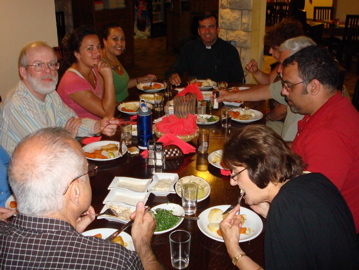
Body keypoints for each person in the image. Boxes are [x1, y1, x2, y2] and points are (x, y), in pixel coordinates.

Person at [0, 127, 162, 269]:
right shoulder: (114, 261)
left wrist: (71, 232)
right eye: (88, 171)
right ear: (75, 192)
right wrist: (142, 244)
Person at [220, 125, 359, 270]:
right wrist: (269, 212)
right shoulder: (316, 179)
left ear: (259, 167)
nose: (232, 181)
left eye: (235, 172)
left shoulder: (285, 209)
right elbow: (308, 234)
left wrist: (233, 248)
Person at [281, 45, 359, 233]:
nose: (284, 92)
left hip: (332, 234)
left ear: (314, 86)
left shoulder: (329, 135)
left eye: (288, 85)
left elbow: (311, 209)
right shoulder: (331, 108)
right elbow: (303, 149)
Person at [0, 41, 118, 155]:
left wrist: (98, 126)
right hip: (25, 171)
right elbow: (45, 147)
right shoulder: (17, 105)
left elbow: (71, 121)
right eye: (38, 65)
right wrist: (66, 136)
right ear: (23, 72)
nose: (47, 70)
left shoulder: (50, 93)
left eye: (51, 64)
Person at [217, 36, 316, 141]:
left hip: (289, 144)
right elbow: (267, 90)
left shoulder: (309, 90)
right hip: (284, 133)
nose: (278, 70)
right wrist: (229, 95)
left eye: (284, 64)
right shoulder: (292, 83)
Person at [245, 19, 304, 134]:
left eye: (274, 48)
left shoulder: (295, 71)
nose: (270, 51)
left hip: (284, 124)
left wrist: (265, 118)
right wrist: (256, 72)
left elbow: (282, 110)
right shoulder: (282, 65)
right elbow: (270, 82)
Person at [166, 12, 244, 85]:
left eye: (211, 27)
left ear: (218, 29)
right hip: (196, 94)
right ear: (199, 31)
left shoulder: (230, 51)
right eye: (203, 27)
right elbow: (174, 69)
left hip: (221, 95)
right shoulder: (189, 49)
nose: (207, 31)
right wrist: (173, 75)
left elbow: (238, 80)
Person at [57, 25, 116, 120]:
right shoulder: (72, 82)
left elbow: (107, 101)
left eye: (99, 46)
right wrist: (108, 77)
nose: (97, 53)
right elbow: (108, 113)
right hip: (81, 133)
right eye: (90, 48)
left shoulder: (95, 68)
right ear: (77, 54)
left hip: (101, 128)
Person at [100, 22, 157, 103]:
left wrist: (140, 80)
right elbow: (102, 98)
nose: (120, 43)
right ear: (104, 41)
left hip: (126, 104)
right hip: (117, 111)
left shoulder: (113, 56)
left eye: (122, 39)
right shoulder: (101, 64)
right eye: (115, 39)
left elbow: (121, 85)